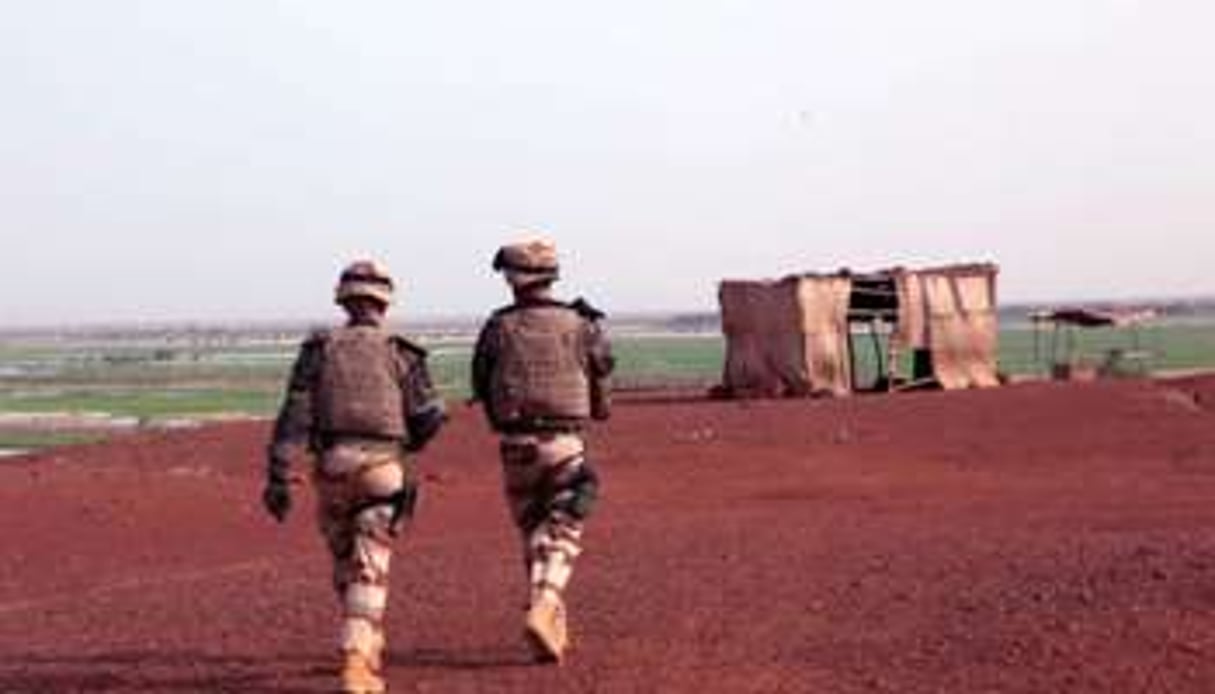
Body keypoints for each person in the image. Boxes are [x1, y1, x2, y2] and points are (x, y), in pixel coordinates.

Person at [262, 260, 445, 694]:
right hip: (383, 468)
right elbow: (427, 416)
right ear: (384, 300)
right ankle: (357, 657)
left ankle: (364, 640)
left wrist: (279, 476)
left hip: (332, 468)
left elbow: (294, 418)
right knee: (371, 564)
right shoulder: (401, 351)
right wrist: (411, 444)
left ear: (343, 298)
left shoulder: (318, 350)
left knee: (347, 563)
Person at [470, 237, 614, 663]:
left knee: (533, 533)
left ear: (512, 281)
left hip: (515, 447)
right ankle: (547, 603)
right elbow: (601, 378)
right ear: (552, 276)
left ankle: (552, 627)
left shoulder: (498, 326)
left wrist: (503, 424)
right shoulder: (581, 324)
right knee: (566, 528)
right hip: (564, 441)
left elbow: (482, 382)